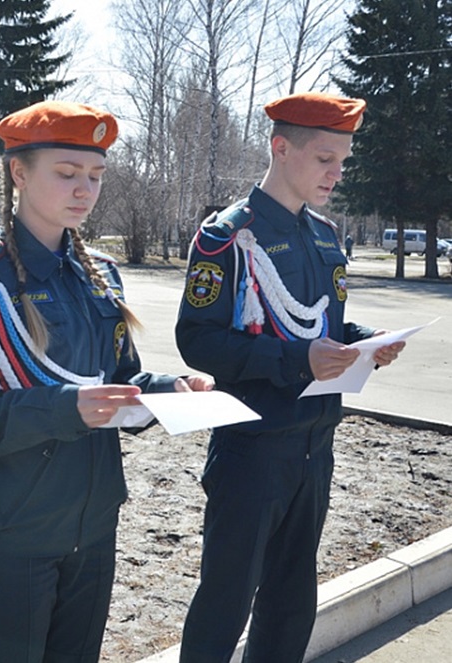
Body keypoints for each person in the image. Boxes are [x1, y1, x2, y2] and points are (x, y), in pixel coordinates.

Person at [0, 100, 213, 663]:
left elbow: (120, 379)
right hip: (10, 531)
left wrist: (168, 391)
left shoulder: (100, 273)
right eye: (67, 173)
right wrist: (65, 408)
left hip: (93, 525)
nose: (86, 189)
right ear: (19, 173)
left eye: (96, 176)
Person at [175, 91, 406, 663]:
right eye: (326, 158)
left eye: (343, 161)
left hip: (314, 447)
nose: (337, 172)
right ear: (281, 148)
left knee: (290, 605)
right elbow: (196, 339)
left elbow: (327, 321)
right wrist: (297, 360)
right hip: (252, 450)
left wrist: (365, 341)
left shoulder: (324, 234)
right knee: (224, 605)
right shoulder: (229, 234)